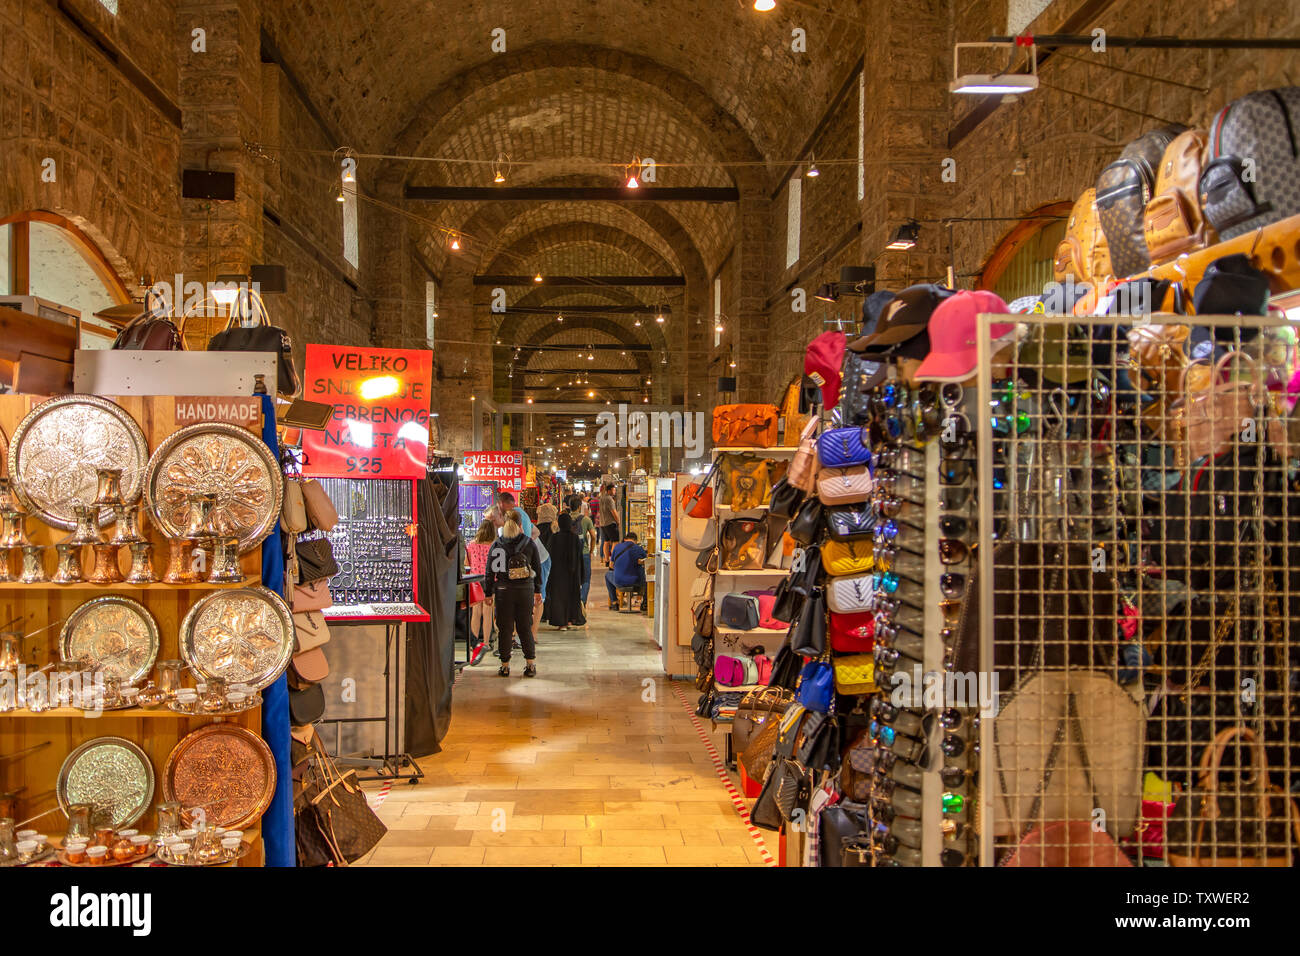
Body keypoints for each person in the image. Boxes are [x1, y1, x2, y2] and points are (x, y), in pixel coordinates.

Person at [481, 513, 542, 677]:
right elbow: (537, 567)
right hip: (525, 590)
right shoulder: (528, 543)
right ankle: (530, 665)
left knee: (505, 629)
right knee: (524, 628)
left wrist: (488, 592)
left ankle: (505, 665)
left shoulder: (497, 545)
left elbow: (489, 571)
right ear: (520, 525)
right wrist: (538, 590)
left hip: (503, 591)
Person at [542, 513, 587, 629]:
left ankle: (561, 622)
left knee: (559, 598)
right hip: (573, 574)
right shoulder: (575, 538)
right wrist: (581, 575)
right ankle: (571, 620)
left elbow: (548, 556)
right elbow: (579, 558)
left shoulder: (554, 537)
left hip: (557, 574)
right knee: (572, 596)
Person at [465, 519, 496, 660]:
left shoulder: (471, 545)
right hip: (490, 581)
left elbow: (466, 563)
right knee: (488, 612)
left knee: (476, 612)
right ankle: (486, 642)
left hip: (475, 580)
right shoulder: (494, 546)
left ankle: (474, 642)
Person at [605, 531, 647, 612]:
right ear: (635, 540)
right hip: (637, 583)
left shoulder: (617, 547)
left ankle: (614, 602)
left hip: (619, 582)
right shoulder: (639, 548)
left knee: (607, 575)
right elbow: (646, 562)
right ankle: (644, 603)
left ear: (625, 539)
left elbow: (611, 565)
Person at [567, 494, 597, 606]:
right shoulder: (586, 520)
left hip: (568, 553)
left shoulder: (565, 519)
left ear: (569, 506)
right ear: (580, 506)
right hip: (583, 553)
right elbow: (593, 537)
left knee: (570, 577)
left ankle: (572, 601)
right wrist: (590, 551)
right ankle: (582, 601)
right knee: (585, 578)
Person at [598, 482, 620, 567]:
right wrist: (618, 521)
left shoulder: (602, 498)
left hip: (603, 523)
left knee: (606, 541)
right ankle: (612, 560)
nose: (615, 491)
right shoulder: (610, 499)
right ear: (609, 490)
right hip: (610, 523)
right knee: (615, 541)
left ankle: (606, 560)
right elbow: (613, 511)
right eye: (614, 490)